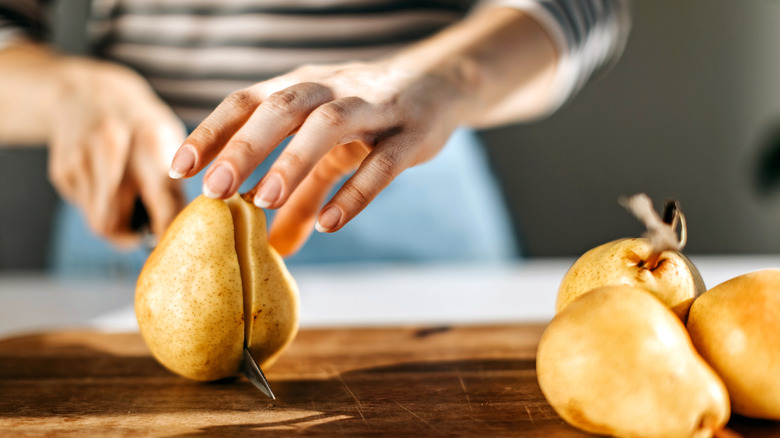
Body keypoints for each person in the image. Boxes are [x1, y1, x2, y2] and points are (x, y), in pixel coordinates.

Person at [0, 1, 630, 275]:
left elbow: (583, 4)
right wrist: (67, 94)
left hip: (401, 179)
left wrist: (442, 77)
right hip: (144, 185)